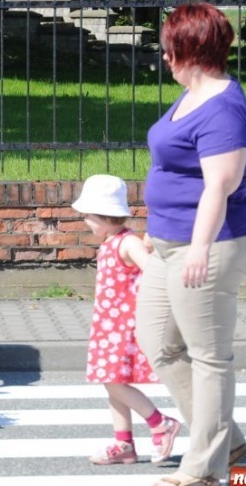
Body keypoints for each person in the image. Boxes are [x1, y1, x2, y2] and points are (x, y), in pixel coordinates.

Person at [135, 2, 246, 486]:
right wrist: (154, 227)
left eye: (170, 47)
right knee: (157, 341)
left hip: (208, 245)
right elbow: (174, 170)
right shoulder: (192, 94)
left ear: (192, 49)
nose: (164, 57)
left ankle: (204, 468)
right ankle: (225, 441)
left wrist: (199, 248)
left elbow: (218, 187)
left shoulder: (224, 108)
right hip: (169, 243)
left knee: (208, 357)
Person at [73, 174, 180, 466]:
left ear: (106, 216)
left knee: (112, 381)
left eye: (89, 217)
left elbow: (153, 272)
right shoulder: (110, 241)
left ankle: (160, 423)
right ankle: (124, 444)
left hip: (124, 327)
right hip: (108, 327)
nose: (86, 222)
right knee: (111, 382)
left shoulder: (128, 242)